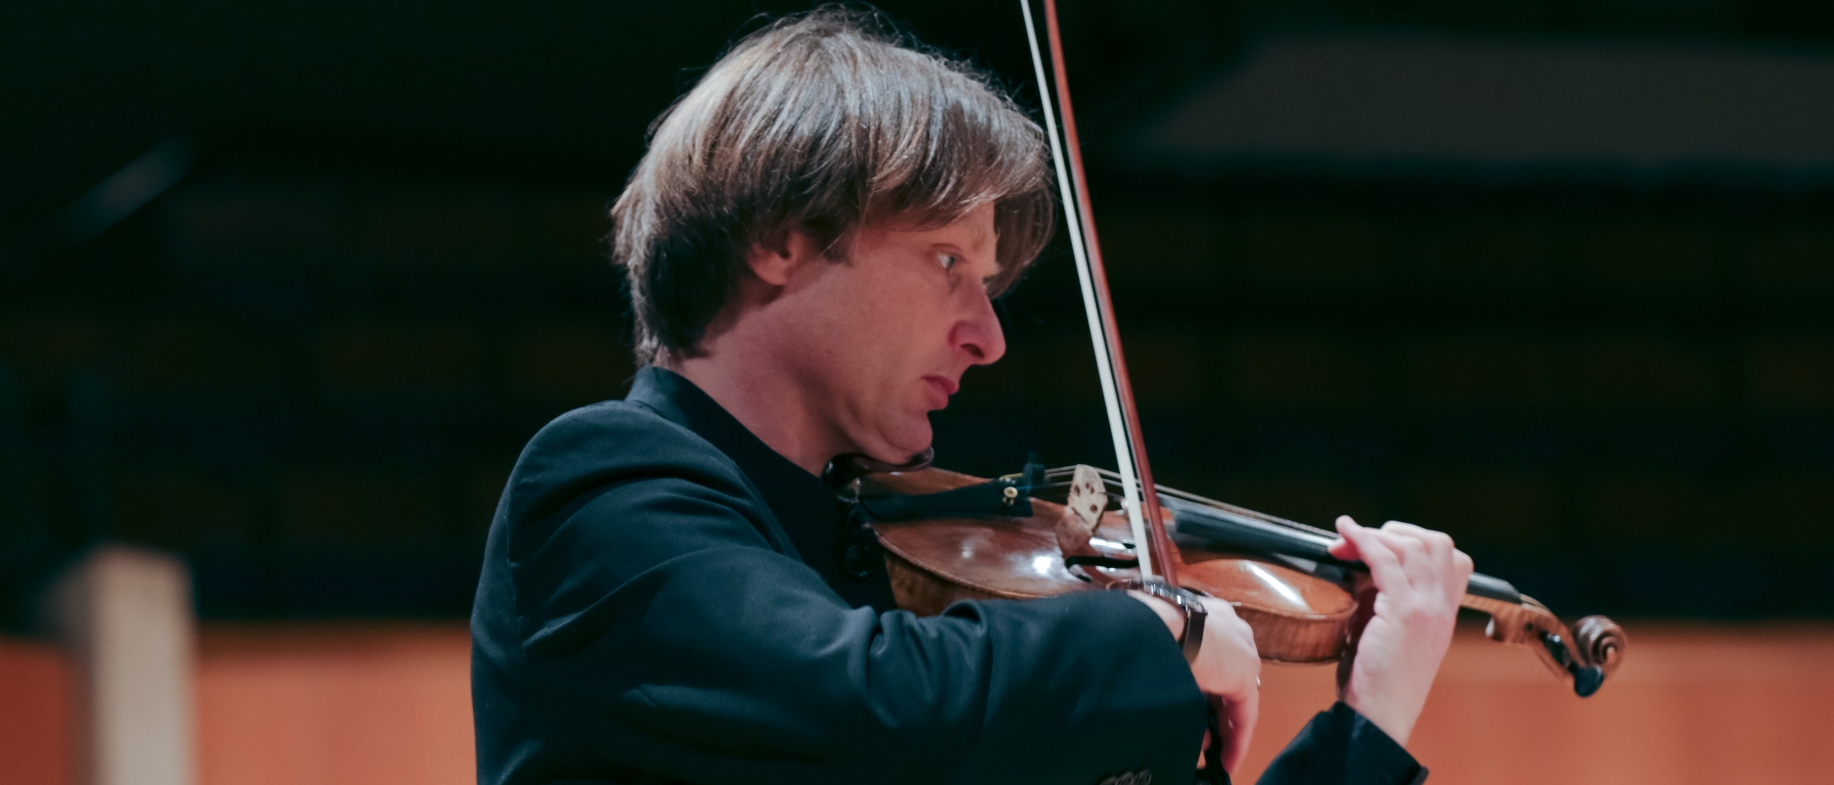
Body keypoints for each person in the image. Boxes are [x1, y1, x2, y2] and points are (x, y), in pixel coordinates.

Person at [471, 9, 1473, 785]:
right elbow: (857, 705)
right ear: (777, 238)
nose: (986, 335)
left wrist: (1369, 719)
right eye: (946, 260)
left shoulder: (908, 577)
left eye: (987, 286)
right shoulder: (604, 484)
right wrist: (1159, 628)